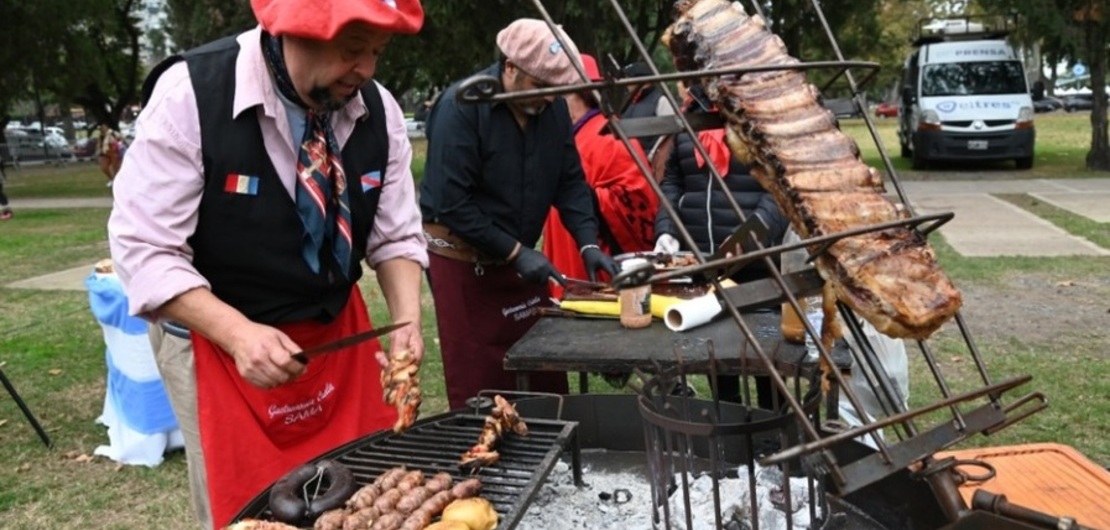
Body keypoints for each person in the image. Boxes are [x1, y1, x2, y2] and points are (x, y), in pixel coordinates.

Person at [106, 0, 427, 527]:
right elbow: (145, 250)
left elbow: (394, 234)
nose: (367, 69)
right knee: (249, 510)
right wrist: (237, 334)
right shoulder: (191, 96)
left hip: (335, 337)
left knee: (363, 495)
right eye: (353, 50)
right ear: (292, 31)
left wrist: (408, 319)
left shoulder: (380, 108)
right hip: (215, 340)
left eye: (378, 51)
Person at [420, 19, 619, 410]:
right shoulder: (461, 107)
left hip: (518, 265)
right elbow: (451, 202)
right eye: (539, 86)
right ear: (509, 66)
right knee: (482, 386)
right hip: (463, 265)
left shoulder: (554, 111)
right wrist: (516, 252)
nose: (548, 98)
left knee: (544, 370)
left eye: (555, 89)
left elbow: (570, 182)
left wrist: (588, 241)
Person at [653, 82, 789, 409]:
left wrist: (754, 232)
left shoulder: (761, 117)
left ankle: (772, 423)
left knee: (764, 355)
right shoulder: (690, 119)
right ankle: (728, 417)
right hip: (702, 264)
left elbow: (781, 186)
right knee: (716, 353)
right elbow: (673, 180)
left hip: (757, 264)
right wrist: (667, 228)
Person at [543, 53, 657, 298]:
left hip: (597, 258)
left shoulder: (609, 135)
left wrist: (588, 200)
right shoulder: (566, 136)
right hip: (564, 249)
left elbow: (639, 198)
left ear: (583, 92)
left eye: (561, 92)